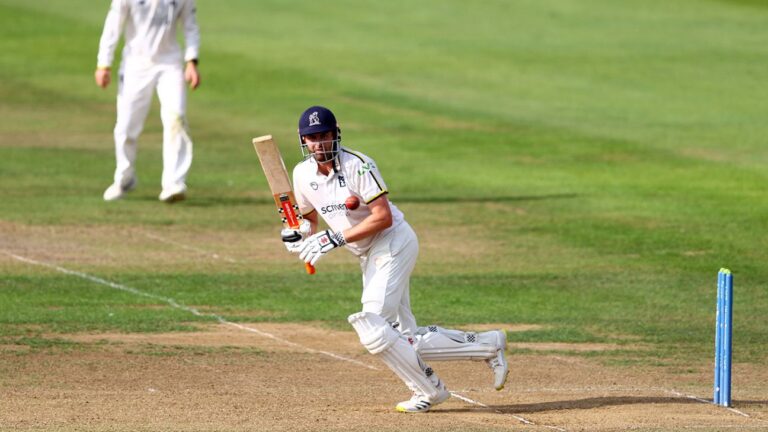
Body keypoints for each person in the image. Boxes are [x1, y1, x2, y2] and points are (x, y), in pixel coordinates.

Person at [281, 106, 509, 413]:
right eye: (312, 139)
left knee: (372, 325)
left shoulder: (358, 166)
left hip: (393, 243)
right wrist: (298, 232)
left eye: (324, 136)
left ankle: (429, 390)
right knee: (403, 338)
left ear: (336, 134)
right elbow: (309, 218)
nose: (319, 144)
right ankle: (488, 344)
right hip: (367, 254)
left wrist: (335, 238)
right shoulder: (301, 174)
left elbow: (383, 217)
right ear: (303, 141)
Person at [95, 0, 200, 202]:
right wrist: (104, 64)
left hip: (170, 63)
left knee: (176, 119)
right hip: (135, 64)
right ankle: (124, 178)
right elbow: (113, 25)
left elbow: (190, 26)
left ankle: (174, 183)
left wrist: (192, 61)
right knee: (126, 126)